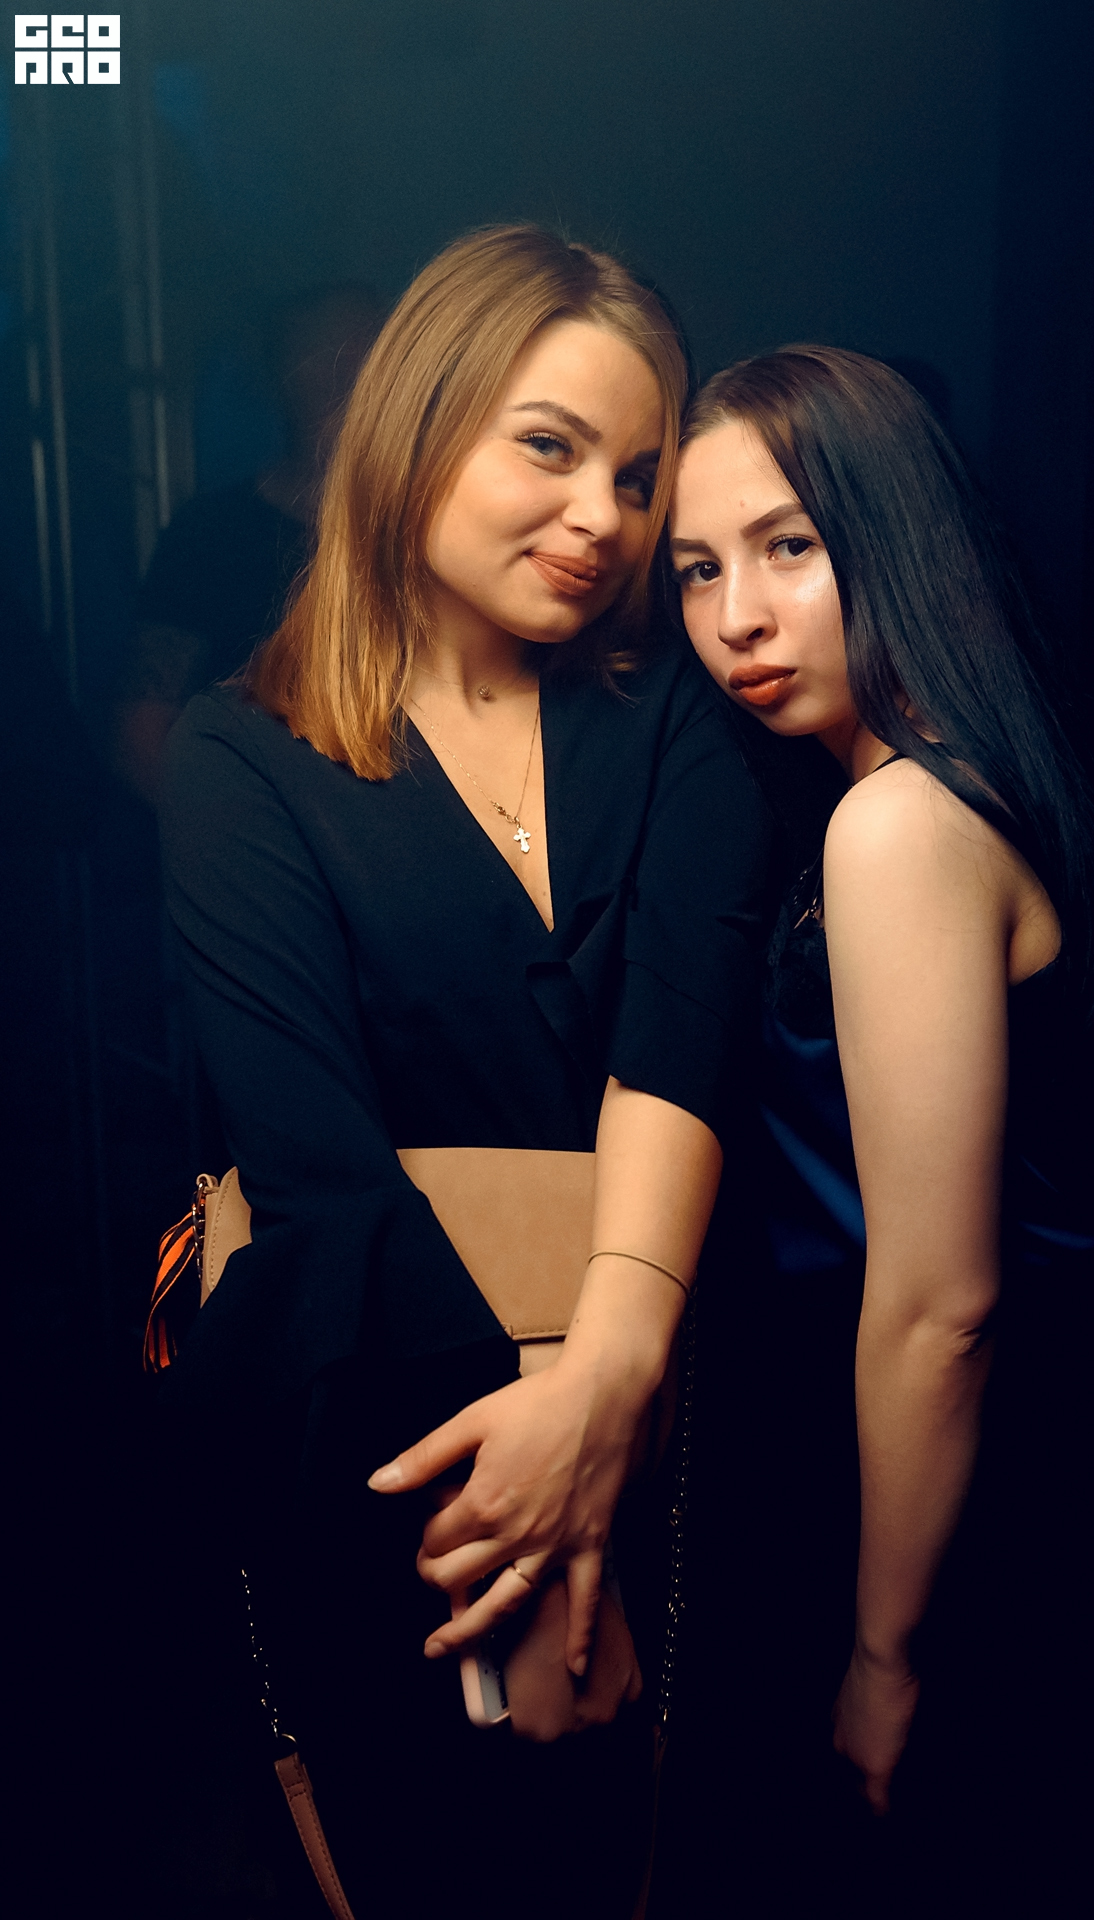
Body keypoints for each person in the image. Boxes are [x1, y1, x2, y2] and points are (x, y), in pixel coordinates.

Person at [157, 227, 771, 1919]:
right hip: (390, 1445)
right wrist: (534, 1568)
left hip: (673, 1424)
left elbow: (678, 1046)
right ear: (416, 426)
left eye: (635, 476)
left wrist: (604, 1416)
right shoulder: (240, 756)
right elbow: (325, 1182)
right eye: (549, 448)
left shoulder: (676, 720)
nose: (602, 519)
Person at [667, 346, 1094, 1869]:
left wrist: (881, 1651)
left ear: (892, 533)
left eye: (787, 546)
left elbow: (940, 1308)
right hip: (971, 1476)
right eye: (696, 569)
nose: (735, 617)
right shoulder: (963, 777)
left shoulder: (898, 824)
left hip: (961, 1515)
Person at [114, 283, 383, 803]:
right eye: (331, 354)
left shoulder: (434, 535)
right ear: (288, 372)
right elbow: (141, 740)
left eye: (369, 354)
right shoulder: (209, 535)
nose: (351, 379)